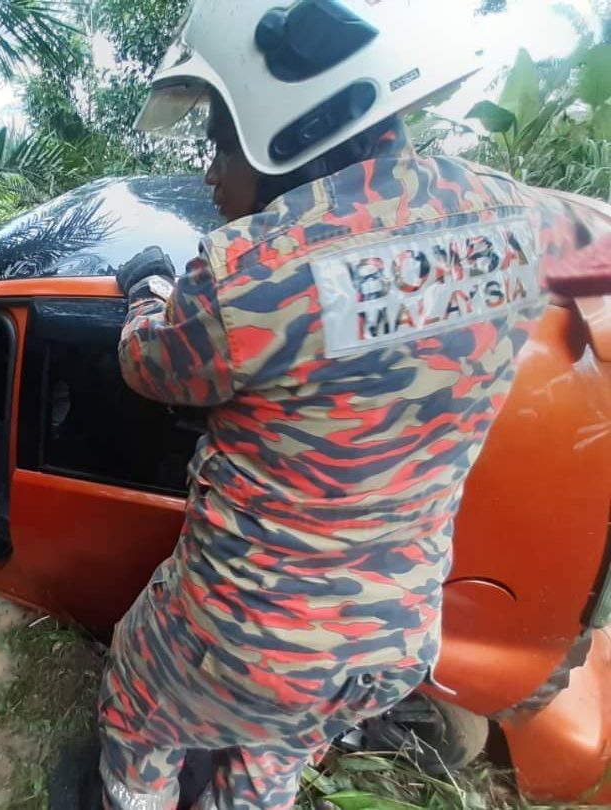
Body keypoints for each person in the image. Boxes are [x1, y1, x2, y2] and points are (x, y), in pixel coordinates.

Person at [98, 2, 611, 809]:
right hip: (393, 640)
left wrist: (143, 293)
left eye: (220, 146)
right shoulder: (519, 216)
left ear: (284, 130)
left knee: (137, 709)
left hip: (246, 634)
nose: (209, 175)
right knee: (279, 747)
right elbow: (600, 252)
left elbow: (148, 368)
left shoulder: (247, 273)